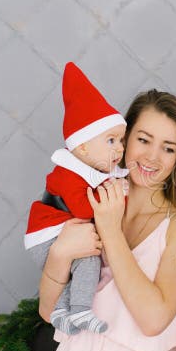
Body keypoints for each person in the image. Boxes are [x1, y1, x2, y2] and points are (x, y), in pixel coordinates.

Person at [17, 90, 176, 351]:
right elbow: (50, 311)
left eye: (168, 148)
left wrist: (110, 232)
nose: (152, 157)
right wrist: (61, 253)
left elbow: (154, 317)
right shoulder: (91, 198)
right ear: (124, 140)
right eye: (143, 140)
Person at [24, 62, 129, 335]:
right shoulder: (70, 174)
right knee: (88, 260)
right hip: (46, 236)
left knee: (81, 262)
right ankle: (81, 310)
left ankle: (62, 310)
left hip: (58, 235)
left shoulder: (91, 172)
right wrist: (116, 197)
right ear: (82, 146)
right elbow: (84, 209)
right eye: (111, 141)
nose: (119, 149)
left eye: (121, 141)